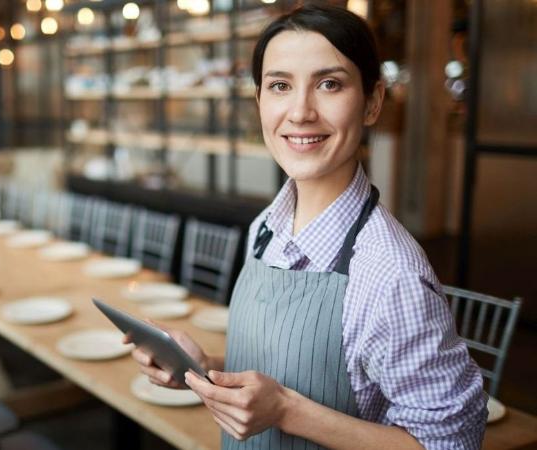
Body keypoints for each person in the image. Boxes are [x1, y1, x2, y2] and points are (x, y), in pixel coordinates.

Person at [127, 5, 487, 449]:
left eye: (329, 84)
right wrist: (203, 372)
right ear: (259, 101)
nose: (300, 112)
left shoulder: (390, 275)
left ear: (373, 101)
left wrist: (285, 411)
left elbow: (449, 444)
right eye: (280, 85)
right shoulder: (266, 227)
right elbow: (294, 372)